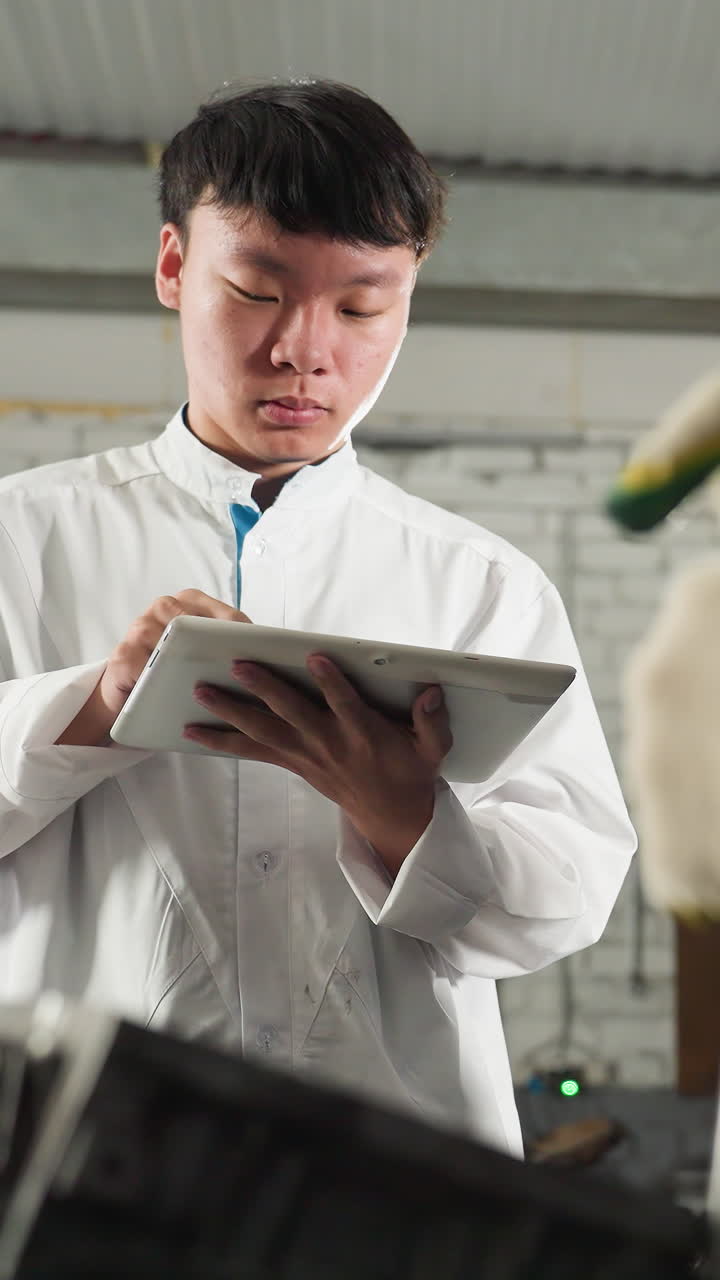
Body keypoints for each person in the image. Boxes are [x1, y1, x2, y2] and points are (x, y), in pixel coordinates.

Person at [0, 80, 635, 1156]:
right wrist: (92, 711)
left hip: (393, 1177)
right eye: (255, 289)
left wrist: (410, 822)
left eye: (360, 306)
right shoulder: (21, 541)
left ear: (409, 299)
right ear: (173, 267)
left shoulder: (485, 587)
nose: (305, 349)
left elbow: (570, 897)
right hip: (85, 1164)